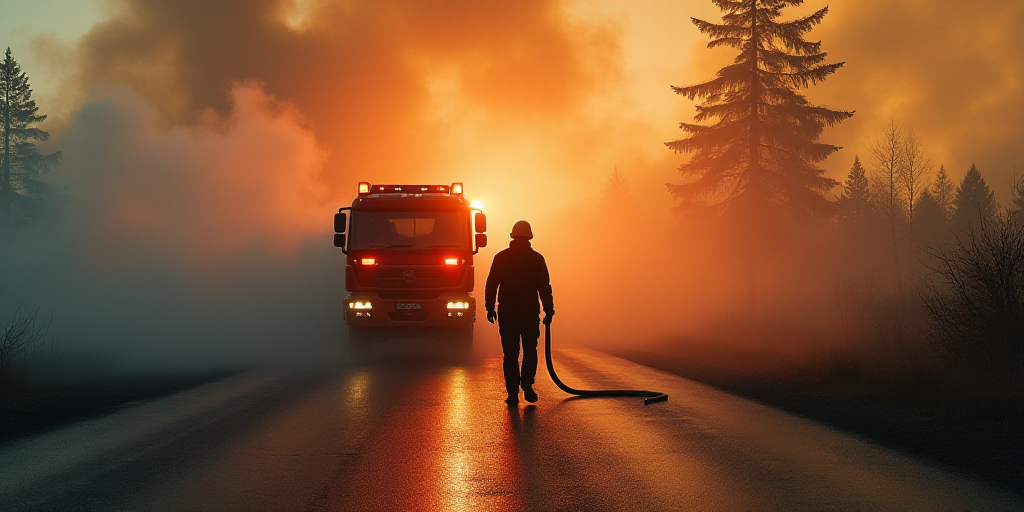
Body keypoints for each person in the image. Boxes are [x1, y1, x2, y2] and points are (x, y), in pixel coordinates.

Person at [485, 220, 554, 406]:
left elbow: (491, 284)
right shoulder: (537, 259)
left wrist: (490, 307)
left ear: (513, 236)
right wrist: (549, 310)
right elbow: (544, 287)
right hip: (529, 313)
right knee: (530, 350)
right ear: (530, 237)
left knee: (510, 354)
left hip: (508, 314)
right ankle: (527, 386)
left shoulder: (501, 258)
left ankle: (513, 393)